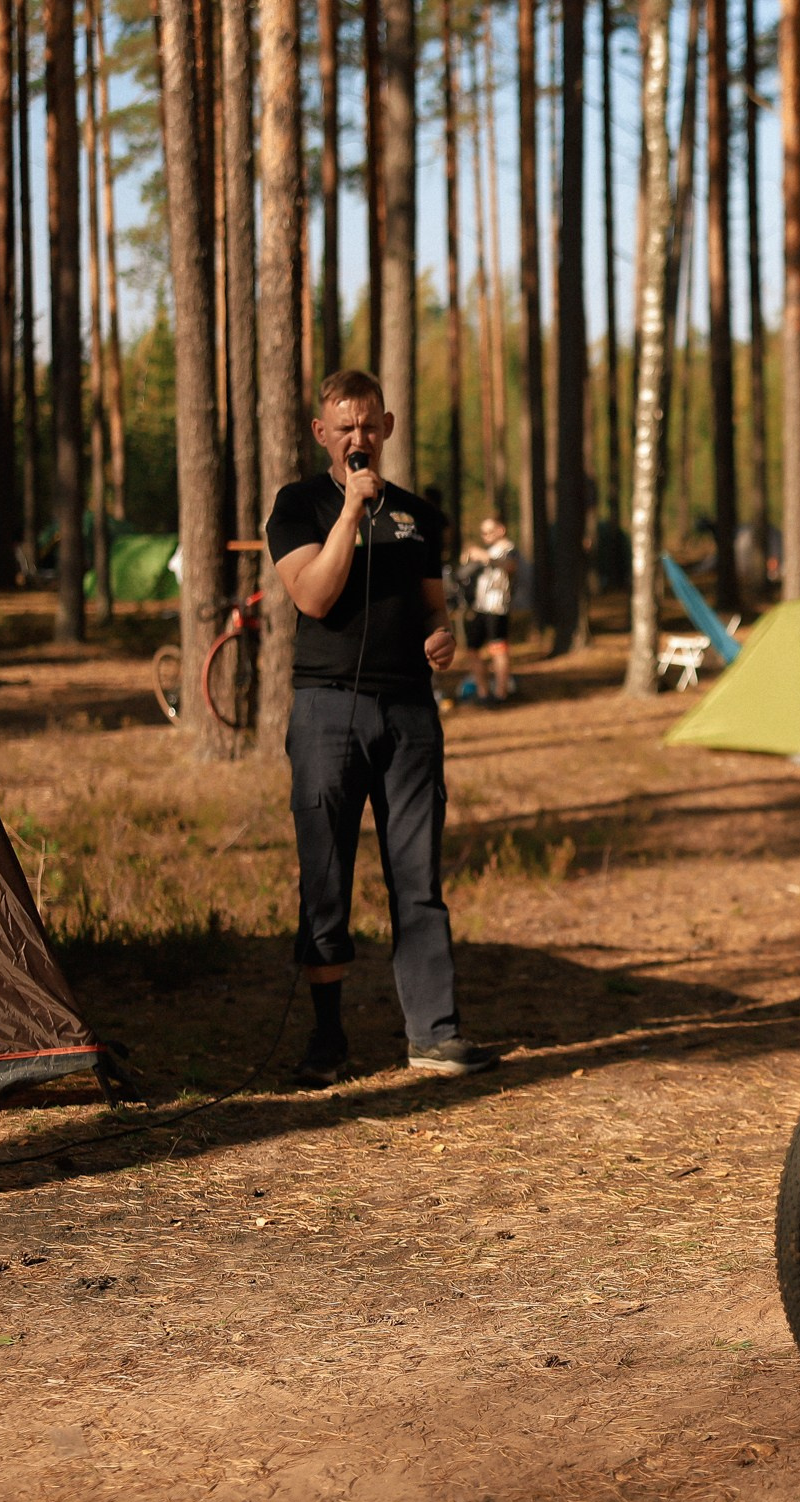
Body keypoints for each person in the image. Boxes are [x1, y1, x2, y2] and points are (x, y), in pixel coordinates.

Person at [265, 370, 504, 1088]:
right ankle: (328, 1037)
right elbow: (313, 595)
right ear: (321, 434)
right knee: (327, 874)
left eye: (369, 426)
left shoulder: (419, 516)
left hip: (408, 714)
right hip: (327, 710)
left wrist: (442, 638)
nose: (358, 439)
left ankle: (433, 1034)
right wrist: (348, 515)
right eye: (344, 428)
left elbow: (435, 610)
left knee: (417, 878)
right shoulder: (297, 506)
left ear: (388, 426)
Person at [462, 516, 518, 704]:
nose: (485, 536)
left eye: (489, 531)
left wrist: (485, 558)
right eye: (482, 532)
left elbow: (509, 566)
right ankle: (483, 692)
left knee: (498, 648)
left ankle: (501, 693)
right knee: (472, 648)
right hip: (480, 606)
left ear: (501, 530)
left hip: (497, 607)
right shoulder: (489, 551)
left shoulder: (508, 549)